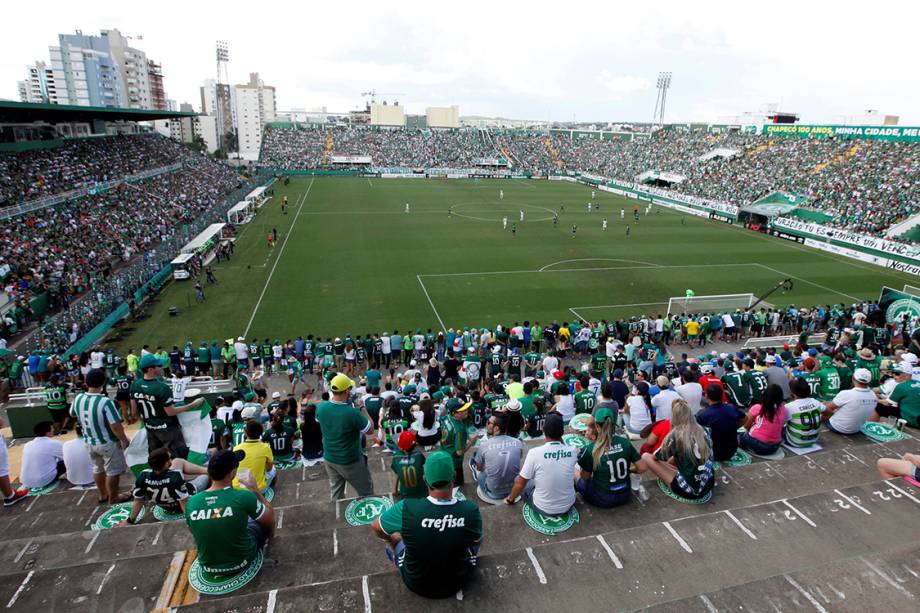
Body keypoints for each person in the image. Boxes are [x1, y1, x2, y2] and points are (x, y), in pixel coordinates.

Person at [372, 450, 482, 599]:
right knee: (475, 537)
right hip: (457, 581)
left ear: (424, 480)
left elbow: (376, 526)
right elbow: (476, 541)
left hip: (416, 583)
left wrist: (391, 540)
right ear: (454, 477)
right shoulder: (471, 510)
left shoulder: (406, 507)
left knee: (395, 539)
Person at [185, 449, 276, 580]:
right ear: (233, 473)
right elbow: (270, 518)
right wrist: (255, 490)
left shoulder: (192, 501)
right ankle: (270, 542)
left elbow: (192, 530)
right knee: (258, 519)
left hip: (207, 566)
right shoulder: (243, 496)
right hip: (242, 561)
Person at [70, 368, 132, 504]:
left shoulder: (78, 398)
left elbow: (73, 414)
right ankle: (114, 497)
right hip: (107, 442)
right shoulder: (105, 402)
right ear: (103, 382)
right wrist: (124, 440)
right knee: (113, 471)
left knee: (97, 468)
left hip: (89, 441)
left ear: (86, 382)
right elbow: (115, 426)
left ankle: (103, 494)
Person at [130, 354, 203, 458]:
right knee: (178, 460)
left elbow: (134, 413)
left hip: (150, 429)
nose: (162, 367)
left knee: (158, 461)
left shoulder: (135, 385)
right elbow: (170, 412)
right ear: (151, 369)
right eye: (159, 365)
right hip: (168, 430)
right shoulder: (162, 388)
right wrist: (193, 404)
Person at [504, 413, 577, 517]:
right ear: (563, 433)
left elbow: (520, 483)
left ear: (543, 430)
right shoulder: (573, 451)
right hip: (568, 504)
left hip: (543, 507)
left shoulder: (535, 452)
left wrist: (510, 499)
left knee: (518, 479)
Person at [641, 400, 715, 501]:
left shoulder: (676, 434)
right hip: (708, 483)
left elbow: (654, 457)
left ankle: (680, 477)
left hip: (689, 490)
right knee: (676, 459)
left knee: (646, 456)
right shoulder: (704, 429)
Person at [315, 374, 374, 500]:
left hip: (329, 457)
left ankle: (337, 516)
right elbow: (370, 430)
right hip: (350, 460)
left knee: (336, 493)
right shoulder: (352, 413)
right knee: (367, 493)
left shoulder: (321, 408)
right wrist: (362, 408)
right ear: (347, 391)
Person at [576, 408, 645, 508]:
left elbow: (585, 477)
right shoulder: (625, 442)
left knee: (576, 473)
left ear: (597, 427)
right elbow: (642, 467)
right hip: (625, 494)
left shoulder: (591, 449)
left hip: (603, 498)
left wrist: (582, 459)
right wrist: (628, 470)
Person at [123, 447, 210, 524]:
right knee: (206, 476)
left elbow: (138, 500)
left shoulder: (143, 475)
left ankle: (201, 472)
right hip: (181, 503)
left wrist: (130, 520)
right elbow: (184, 502)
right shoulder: (175, 476)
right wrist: (190, 521)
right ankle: (208, 470)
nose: (171, 460)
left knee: (178, 461)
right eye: (169, 459)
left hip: (164, 505)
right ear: (165, 464)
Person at [471, 412, 523, 501]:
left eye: (489, 423)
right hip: (513, 490)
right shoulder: (518, 442)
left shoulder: (484, 445)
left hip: (493, 494)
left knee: (480, 474)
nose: (487, 424)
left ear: (497, 428)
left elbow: (480, 468)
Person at [696, 386, 746, 462]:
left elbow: (697, 434)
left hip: (714, 453)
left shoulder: (702, 415)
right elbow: (745, 419)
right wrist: (733, 427)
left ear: (706, 396)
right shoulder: (731, 407)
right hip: (732, 450)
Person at [823, 368, 877, 434]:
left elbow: (828, 408)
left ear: (853, 378)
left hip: (837, 427)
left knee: (822, 411)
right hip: (856, 429)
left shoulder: (847, 394)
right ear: (869, 381)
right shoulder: (873, 395)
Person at [740, 384, 787, 456]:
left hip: (760, 446)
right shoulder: (783, 408)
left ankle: (747, 448)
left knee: (742, 435)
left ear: (765, 395)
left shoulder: (758, 407)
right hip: (775, 446)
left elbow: (746, 426)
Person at [233, 421, 277, 495]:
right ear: (261, 433)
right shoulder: (265, 447)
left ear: (245, 433)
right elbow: (269, 468)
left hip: (237, 488)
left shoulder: (236, 448)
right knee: (273, 469)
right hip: (258, 489)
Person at [440, 398, 476, 485]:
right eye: (462, 410)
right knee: (458, 482)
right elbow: (459, 453)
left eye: (465, 408)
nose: (466, 411)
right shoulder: (460, 429)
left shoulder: (447, 417)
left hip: (444, 451)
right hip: (454, 460)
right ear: (454, 413)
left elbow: (441, 415)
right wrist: (472, 442)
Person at [19, 421, 65, 489]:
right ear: (47, 432)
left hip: (25, 481)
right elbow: (66, 458)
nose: (53, 430)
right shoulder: (54, 443)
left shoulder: (28, 444)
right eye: (52, 429)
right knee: (68, 460)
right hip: (43, 481)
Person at [874, 362, 920, 428]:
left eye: (897, 374)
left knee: (878, 407)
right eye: (893, 373)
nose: (894, 376)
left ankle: (871, 426)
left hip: (912, 420)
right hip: (917, 417)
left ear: (907, 375)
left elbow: (887, 403)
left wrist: (875, 400)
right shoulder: (917, 382)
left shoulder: (901, 386)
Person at [784, 377, 824, 448]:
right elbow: (829, 412)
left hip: (795, 442)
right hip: (813, 440)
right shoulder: (816, 402)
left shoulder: (789, 407)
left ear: (794, 394)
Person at [391, 431, 427, 500]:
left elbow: (396, 475)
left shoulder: (396, 457)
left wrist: (394, 491)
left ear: (401, 446)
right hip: (422, 493)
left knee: (397, 470)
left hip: (405, 495)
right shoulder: (418, 455)